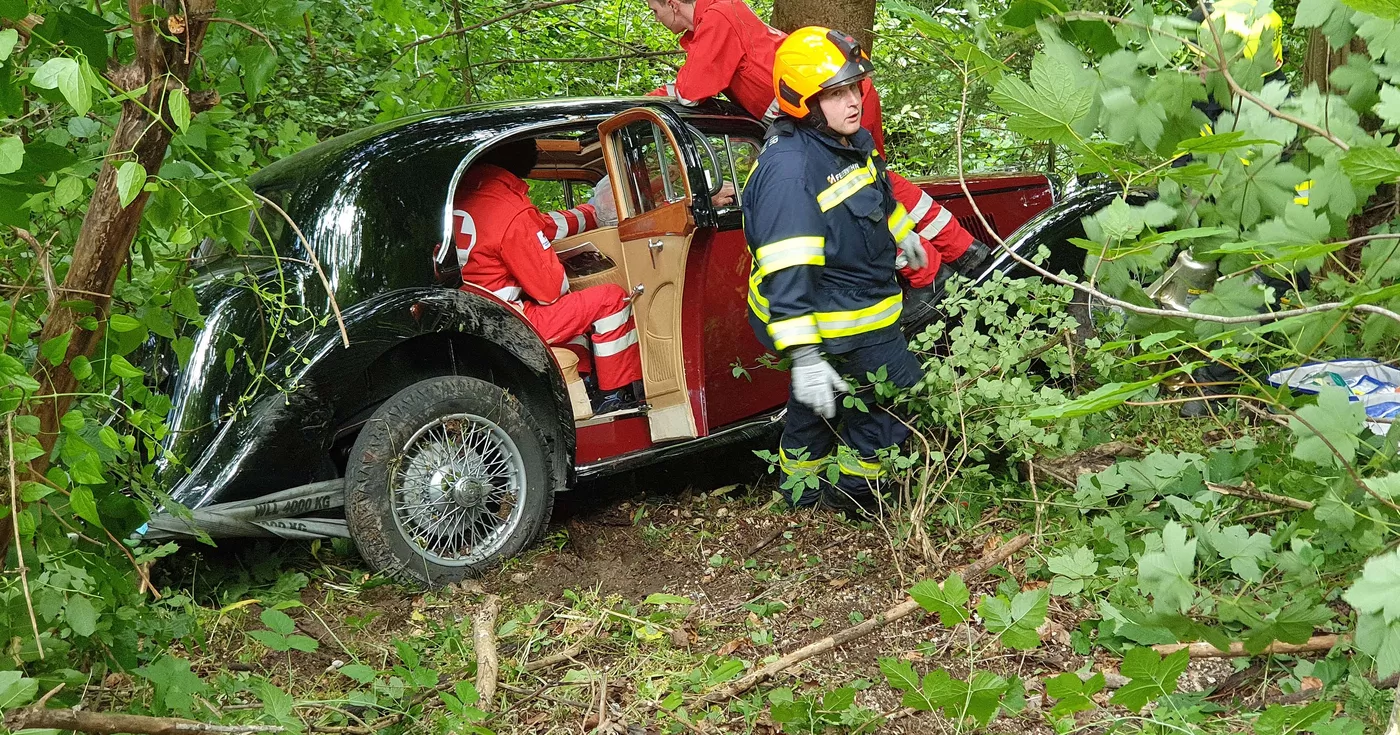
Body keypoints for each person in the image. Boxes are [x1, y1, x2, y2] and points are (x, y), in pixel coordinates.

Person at [642, 0, 989, 283]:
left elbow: (689, 93)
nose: (654, 17)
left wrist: (649, 98)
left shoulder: (716, 17)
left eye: (654, 9)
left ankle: (937, 269)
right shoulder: (720, 13)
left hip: (834, 102)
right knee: (872, 182)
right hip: (832, 102)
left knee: (862, 187)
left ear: (672, 3)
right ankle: (957, 254)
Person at [743, 27, 930, 513]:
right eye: (836, 93)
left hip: (851, 299)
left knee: (820, 404)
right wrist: (805, 355)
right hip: (830, 315)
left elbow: (875, 196)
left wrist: (902, 229)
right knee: (892, 399)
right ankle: (855, 504)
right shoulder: (791, 172)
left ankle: (797, 493)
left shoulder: (845, 140)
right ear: (801, 100)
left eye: (855, 88)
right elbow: (787, 275)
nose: (853, 101)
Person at [452, 140, 643, 412]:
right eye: (531, 146)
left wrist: (593, 212)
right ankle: (617, 395)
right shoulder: (510, 208)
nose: (538, 151)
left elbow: (543, 225)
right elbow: (552, 290)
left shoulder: (466, 194)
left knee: (574, 318)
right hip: (512, 321)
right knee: (610, 299)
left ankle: (580, 385)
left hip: (478, 317)